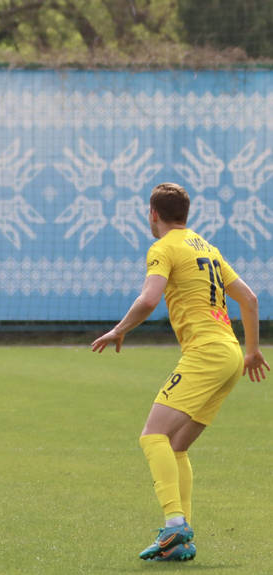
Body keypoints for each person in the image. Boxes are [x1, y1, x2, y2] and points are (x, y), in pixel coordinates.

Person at [91, 182, 269, 562]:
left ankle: (174, 526)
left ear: (152, 214)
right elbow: (250, 299)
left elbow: (149, 298)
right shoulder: (206, 246)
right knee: (177, 446)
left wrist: (118, 329)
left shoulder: (163, 248)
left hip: (205, 353)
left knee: (152, 436)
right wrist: (252, 351)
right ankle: (181, 540)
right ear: (186, 215)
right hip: (230, 355)